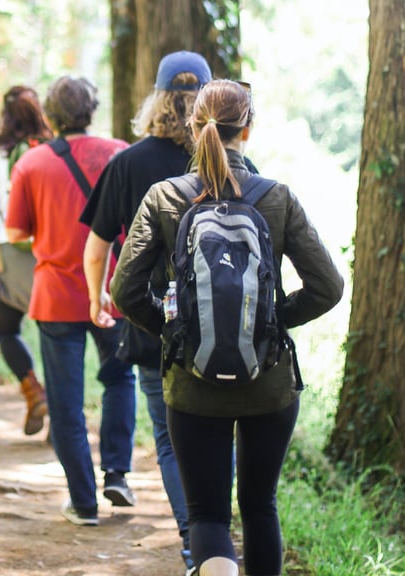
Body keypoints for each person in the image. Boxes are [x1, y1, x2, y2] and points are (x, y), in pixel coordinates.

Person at [111, 79, 344, 575]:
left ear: (194, 129)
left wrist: (178, 333)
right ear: (248, 129)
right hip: (271, 384)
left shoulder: (163, 197)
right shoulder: (277, 197)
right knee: (260, 507)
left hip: (192, 386)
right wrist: (274, 324)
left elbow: (125, 291)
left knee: (208, 514)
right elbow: (328, 286)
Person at [78, 50, 211, 570]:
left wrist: (97, 299)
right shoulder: (229, 160)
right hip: (229, 325)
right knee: (219, 432)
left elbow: (95, 249)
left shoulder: (128, 163)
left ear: (156, 98)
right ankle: (217, 536)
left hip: (155, 323)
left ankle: (193, 543)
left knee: (170, 436)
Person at [5, 76, 136, 527]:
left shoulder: (32, 163)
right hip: (114, 291)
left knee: (65, 403)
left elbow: (15, 232)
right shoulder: (120, 153)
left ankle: (83, 503)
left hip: (57, 296)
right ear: (92, 109)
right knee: (120, 380)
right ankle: (117, 472)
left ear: (51, 115)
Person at [0, 85, 54, 436]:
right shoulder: (55, 152)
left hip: (10, 256)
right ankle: (61, 414)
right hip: (54, 256)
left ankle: (33, 389)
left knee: (7, 330)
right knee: (55, 336)